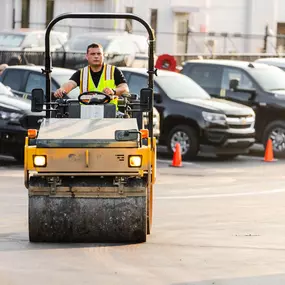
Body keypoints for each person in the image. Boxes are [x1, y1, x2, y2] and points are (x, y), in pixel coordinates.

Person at [54, 43, 129, 109]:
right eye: (93, 54)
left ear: (103, 56)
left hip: (109, 114)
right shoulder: (81, 73)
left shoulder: (113, 71)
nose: (96, 56)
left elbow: (125, 88)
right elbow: (70, 84)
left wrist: (113, 91)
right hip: (86, 114)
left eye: (99, 54)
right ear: (87, 56)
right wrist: (62, 90)